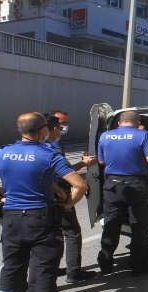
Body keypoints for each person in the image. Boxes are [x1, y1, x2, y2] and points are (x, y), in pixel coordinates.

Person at [0, 112, 88, 292]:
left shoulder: (2, 153)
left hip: (12, 218)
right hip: (41, 218)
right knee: (43, 268)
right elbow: (80, 185)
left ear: (20, 130)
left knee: (12, 266)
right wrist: (68, 204)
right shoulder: (49, 155)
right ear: (43, 130)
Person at [97, 111, 148, 276]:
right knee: (138, 225)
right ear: (137, 122)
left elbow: (101, 161)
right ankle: (138, 265)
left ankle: (105, 262)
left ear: (119, 122)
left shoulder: (105, 136)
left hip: (112, 185)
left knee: (111, 223)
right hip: (136, 184)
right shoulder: (143, 135)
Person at [47, 109, 98, 283]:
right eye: (61, 123)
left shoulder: (38, 146)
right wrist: (66, 198)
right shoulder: (53, 146)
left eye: (67, 123)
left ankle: (50, 272)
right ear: (52, 126)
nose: (64, 127)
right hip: (58, 195)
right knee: (71, 233)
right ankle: (74, 272)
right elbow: (67, 175)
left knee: (51, 235)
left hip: (44, 198)